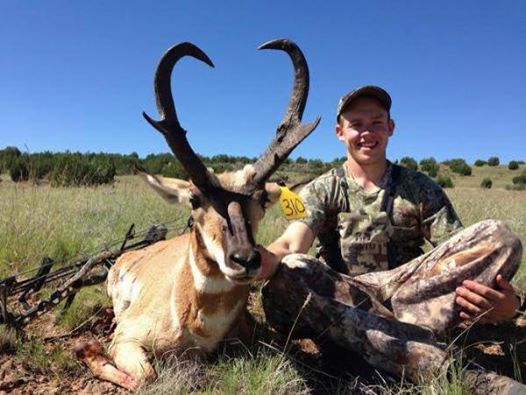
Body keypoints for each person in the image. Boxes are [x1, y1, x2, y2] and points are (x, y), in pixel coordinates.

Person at [256, 86, 524, 390]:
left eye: (376, 122)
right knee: (291, 269)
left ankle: (367, 343)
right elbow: (292, 243)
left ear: (390, 128)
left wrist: (512, 305)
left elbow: (460, 253)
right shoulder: (322, 189)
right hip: (342, 297)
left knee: (501, 237)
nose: (367, 132)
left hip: (407, 295)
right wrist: (261, 258)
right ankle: (468, 380)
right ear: (339, 132)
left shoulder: (419, 187)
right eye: (356, 124)